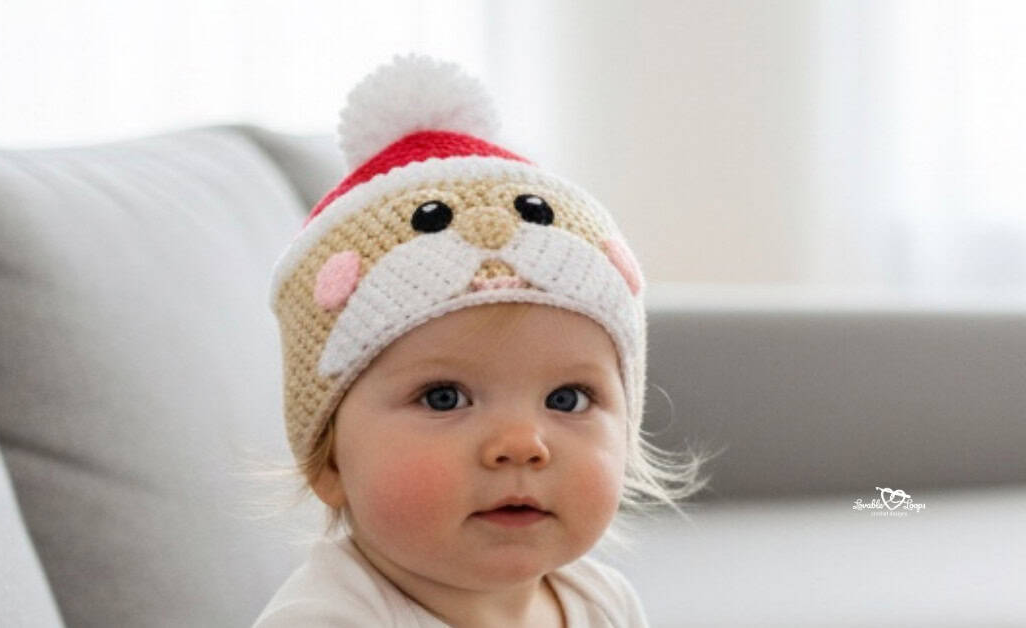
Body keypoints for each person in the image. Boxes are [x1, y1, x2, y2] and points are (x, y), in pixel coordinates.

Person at [257, 53, 710, 627]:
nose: (521, 444)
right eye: (443, 397)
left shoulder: (602, 602)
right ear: (329, 462)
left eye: (567, 398)